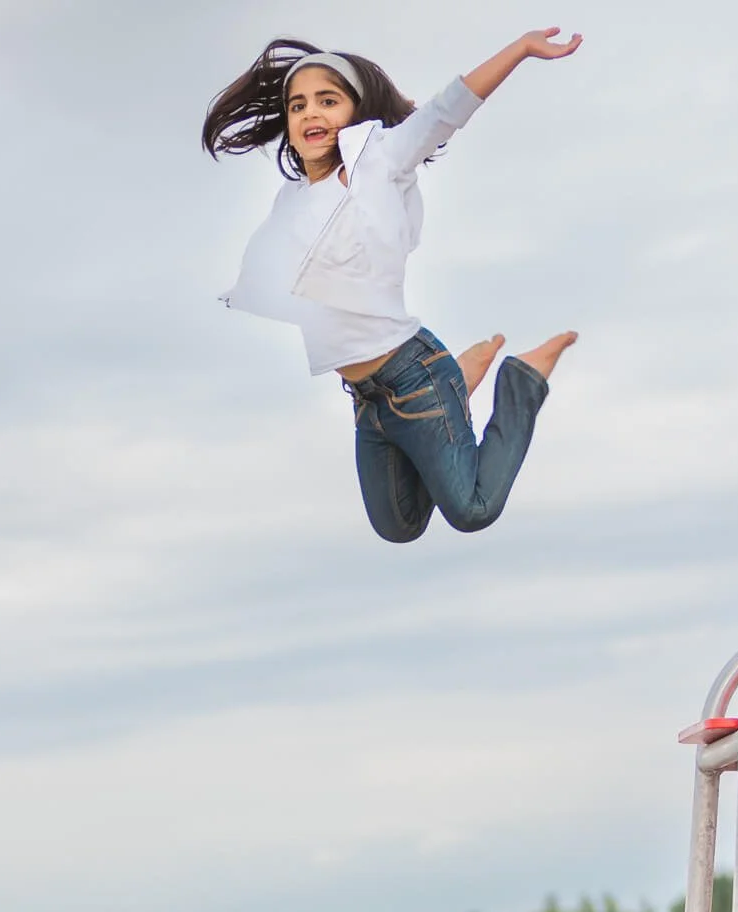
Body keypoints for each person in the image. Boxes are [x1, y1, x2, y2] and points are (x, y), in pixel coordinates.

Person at [202, 30, 583, 543]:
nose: (311, 113)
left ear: (356, 114)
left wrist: (520, 49)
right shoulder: (290, 200)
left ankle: (521, 377)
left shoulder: (380, 160)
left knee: (471, 510)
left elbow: (447, 110)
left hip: (412, 374)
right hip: (367, 398)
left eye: (328, 101)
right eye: (298, 105)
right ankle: (461, 386)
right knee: (399, 527)